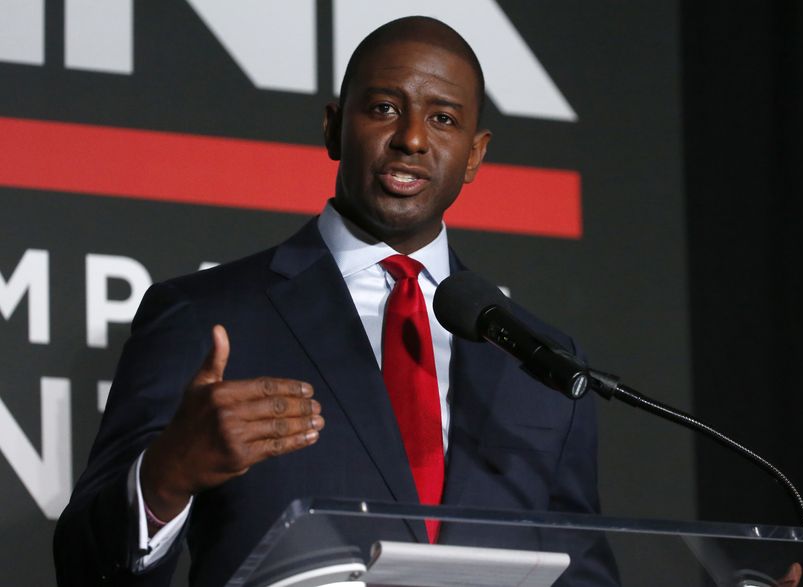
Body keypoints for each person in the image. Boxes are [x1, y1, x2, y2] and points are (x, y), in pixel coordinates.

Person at [54, 16, 618, 586]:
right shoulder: (204, 317)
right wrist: (166, 478)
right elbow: (84, 568)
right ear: (333, 128)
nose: (413, 139)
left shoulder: (542, 363)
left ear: (474, 155)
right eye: (384, 109)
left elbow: (585, 575)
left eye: (442, 118)